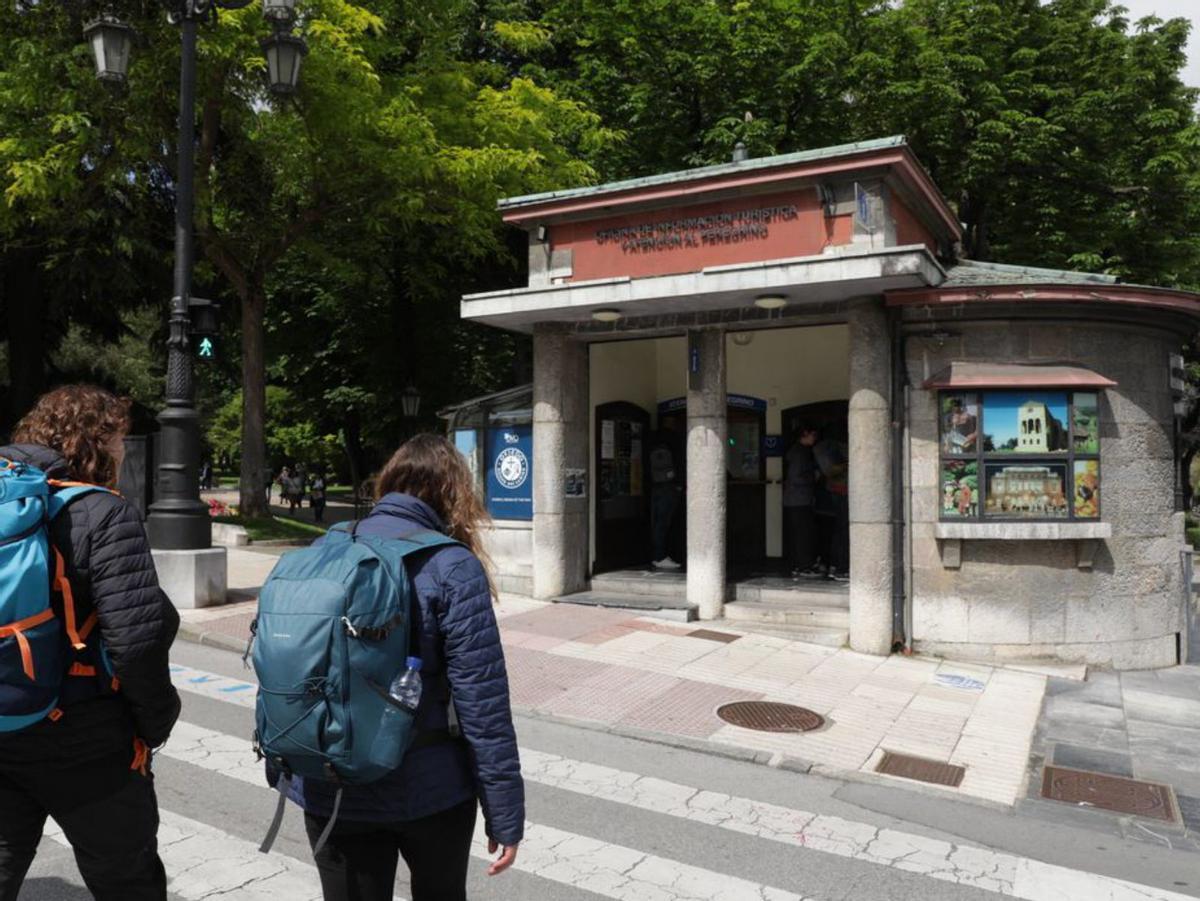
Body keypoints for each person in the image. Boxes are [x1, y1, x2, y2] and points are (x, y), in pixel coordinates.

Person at [284, 434, 522, 901]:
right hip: (430, 792)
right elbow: (483, 704)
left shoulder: (325, 552)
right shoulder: (452, 566)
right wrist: (505, 812)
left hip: (330, 782)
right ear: (454, 493)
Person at [0, 385, 181, 901]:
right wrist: (154, 720)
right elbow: (137, 641)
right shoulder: (102, 512)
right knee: (126, 878)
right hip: (84, 737)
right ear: (96, 443)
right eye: (119, 440)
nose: (123, 452)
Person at [783, 423, 822, 578]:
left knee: (801, 533)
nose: (815, 438)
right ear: (805, 433)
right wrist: (814, 477)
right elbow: (796, 477)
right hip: (800, 499)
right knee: (803, 534)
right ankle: (804, 566)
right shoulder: (800, 453)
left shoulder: (797, 451)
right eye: (813, 434)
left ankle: (801, 564)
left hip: (796, 499)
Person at [814, 433, 850, 582]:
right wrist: (847, 464)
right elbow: (830, 470)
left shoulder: (825, 448)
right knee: (841, 532)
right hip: (839, 493)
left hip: (836, 493)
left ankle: (835, 566)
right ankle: (839, 567)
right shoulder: (827, 449)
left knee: (838, 532)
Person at [649, 419, 683, 570]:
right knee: (665, 522)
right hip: (669, 486)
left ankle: (658, 555)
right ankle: (661, 556)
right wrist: (679, 485)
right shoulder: (675, 440)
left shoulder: (652, 439)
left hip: (655, 485)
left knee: (657, 522)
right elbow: (680, 462)